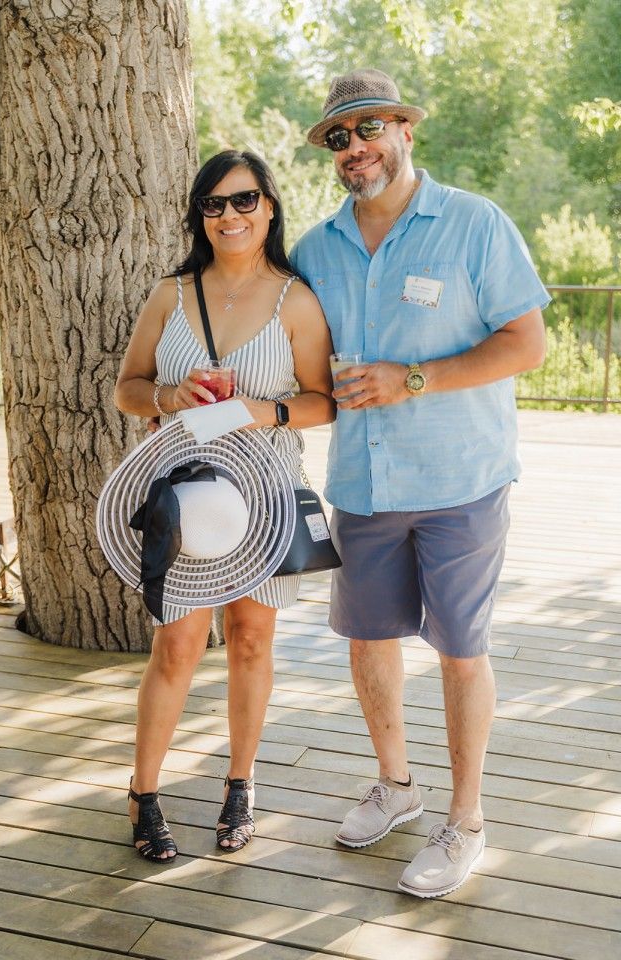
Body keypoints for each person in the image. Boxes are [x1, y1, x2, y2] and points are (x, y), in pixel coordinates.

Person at [291, 68, 549, 898]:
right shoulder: (313, 250)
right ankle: (396, 787)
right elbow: (296, 369)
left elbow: (527, 344)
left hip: (461, 480)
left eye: (368, 128)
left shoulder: (476, 223)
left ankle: (466, 821)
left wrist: (414, 378)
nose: (355, 147)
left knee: (460, 652)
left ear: (405, 129)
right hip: (362, 484)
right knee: (369, 643)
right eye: (339, 137)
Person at [114, 149, 335, 861]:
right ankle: (143, 793)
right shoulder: (170, 296)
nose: (230, 215)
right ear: (199, 216)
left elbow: (321, 401)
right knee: (177, 644)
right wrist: (168, 396)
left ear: (269, 207)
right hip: (184, 498)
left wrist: (255, 410)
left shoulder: (296, 299)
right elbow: (128, 388)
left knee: (250, 639)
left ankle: (239, 784)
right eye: (214, 204)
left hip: (265, 499)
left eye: (243, 200)